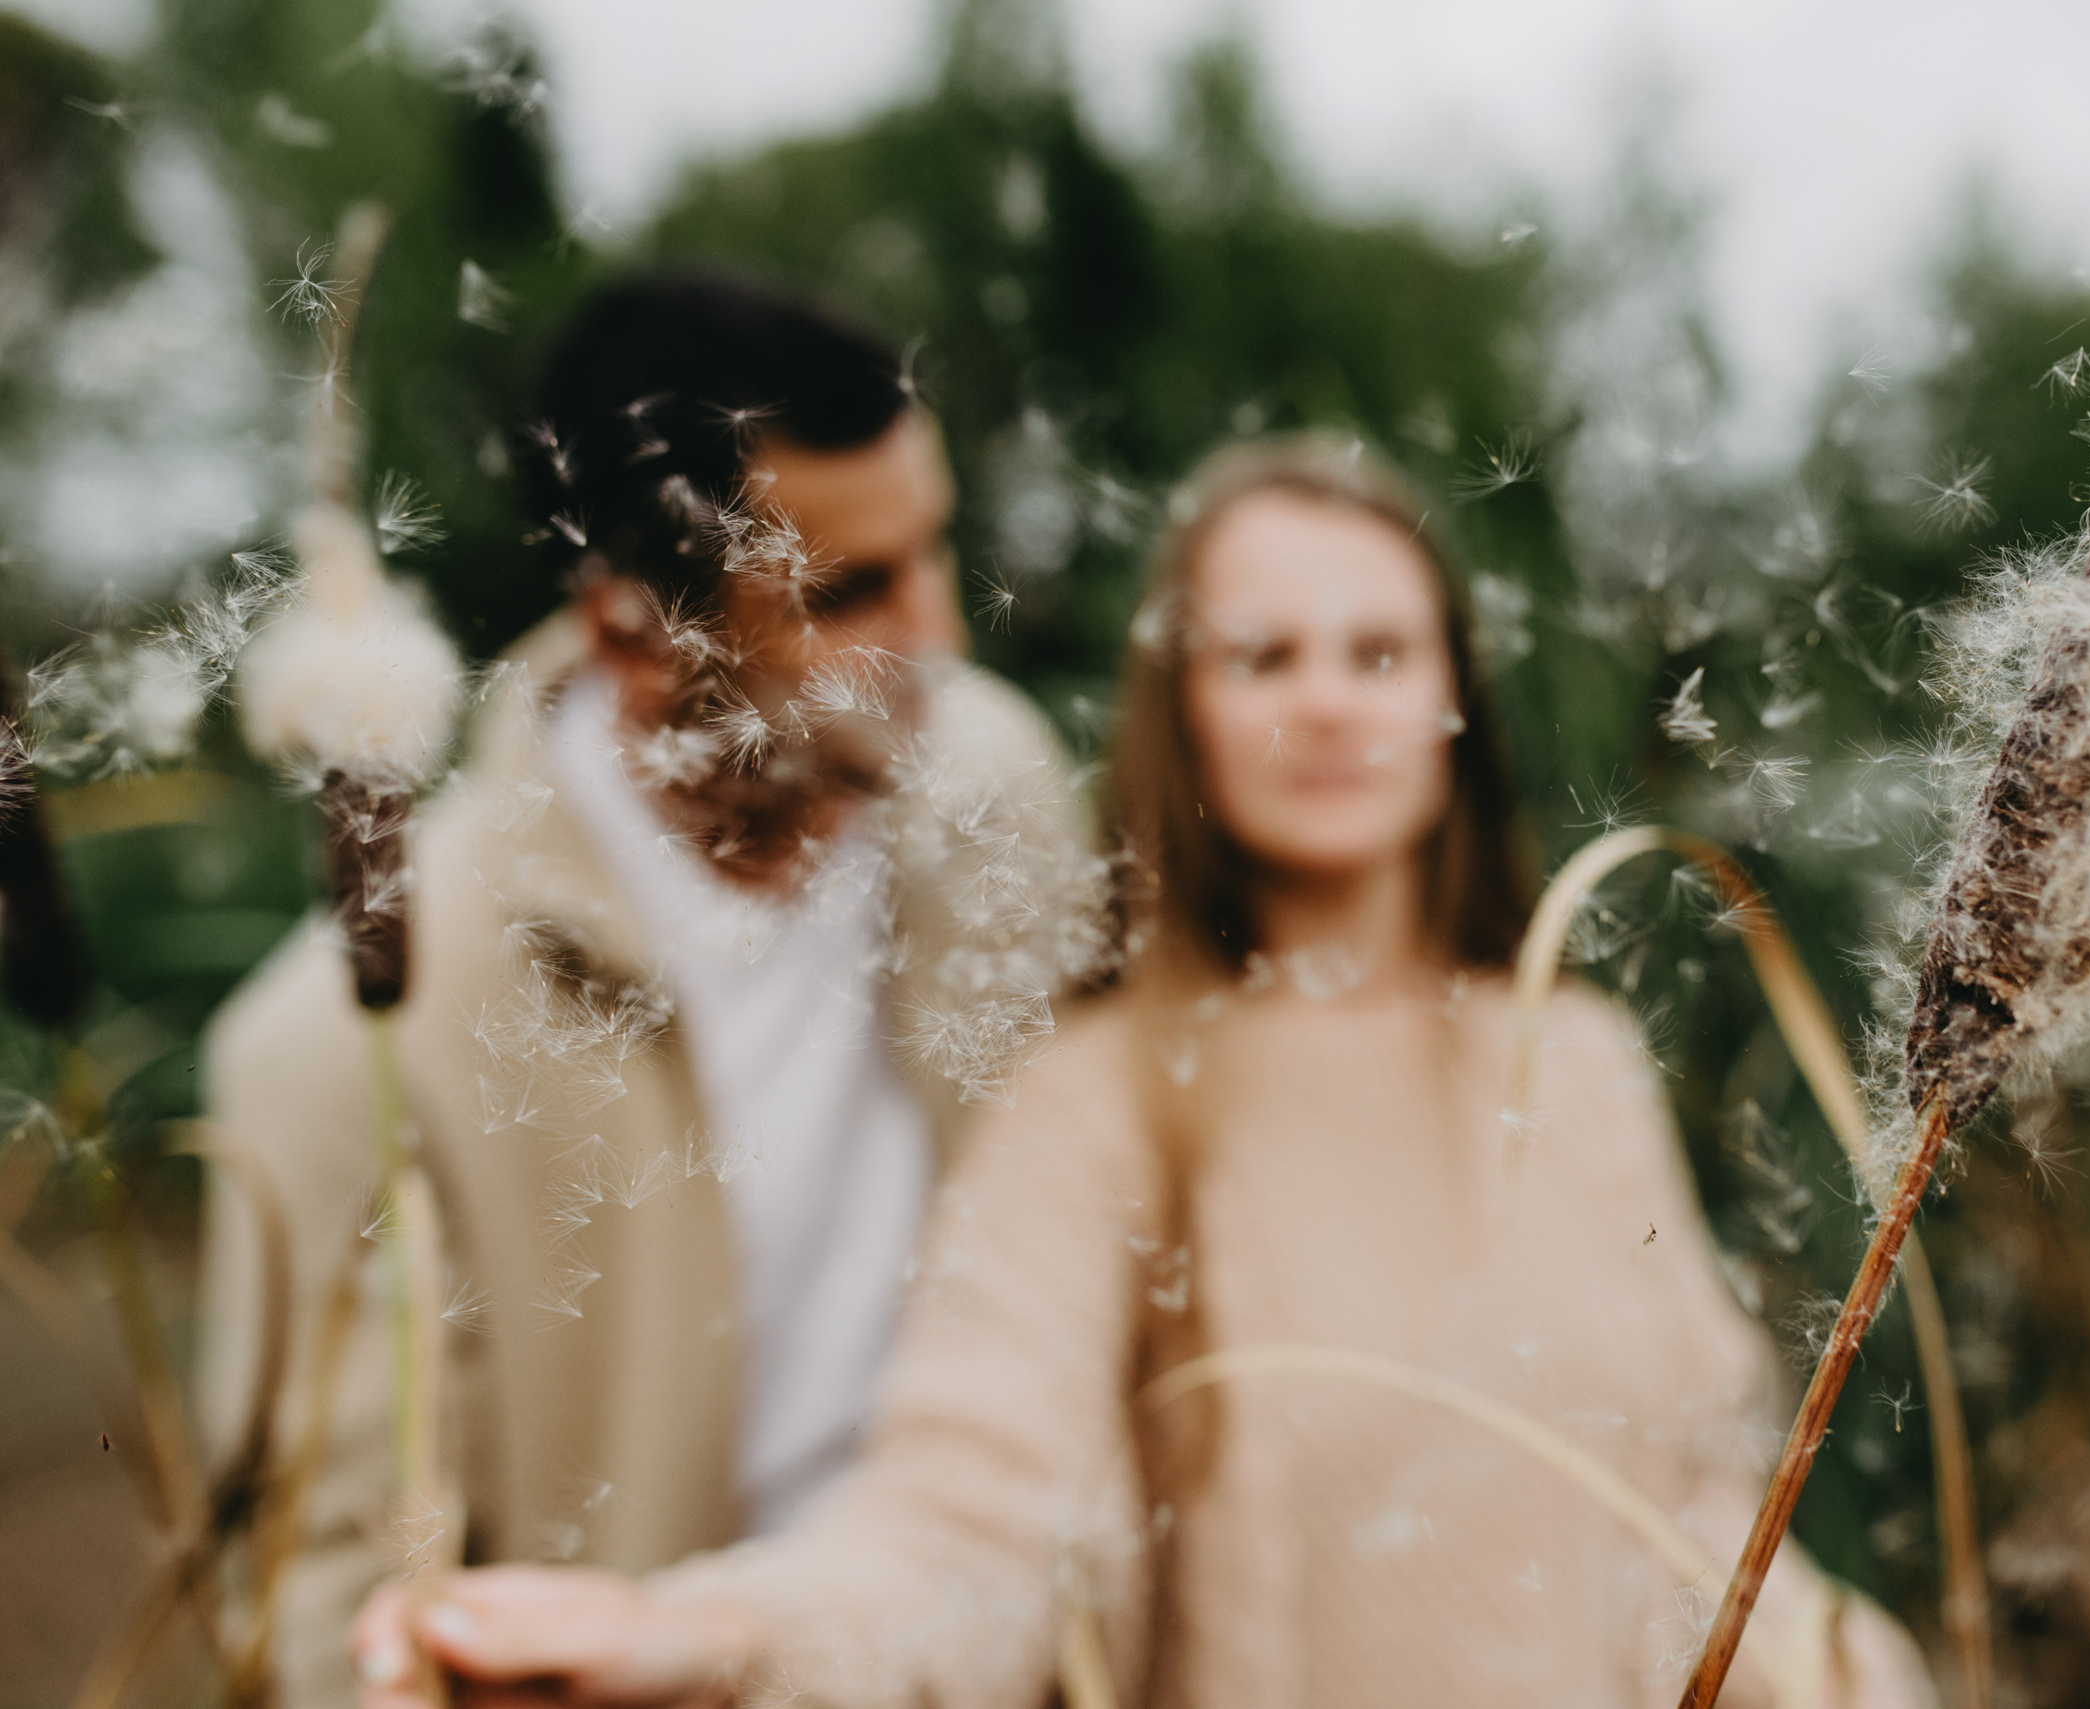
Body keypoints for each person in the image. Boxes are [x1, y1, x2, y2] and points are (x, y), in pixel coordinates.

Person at [350, 435, 1933, 1707]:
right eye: (1261, 656)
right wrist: (688, 1639)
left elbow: (1710, 1516)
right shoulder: (1102, 1096)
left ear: (1451, 697)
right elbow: (971, 1529)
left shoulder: (1573, 1057)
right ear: (1183, 707)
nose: (1324, 697)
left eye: (1377, 651)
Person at [195, 273, 1107, 1708]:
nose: (944, 637)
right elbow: (335, 1609)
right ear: (635, 633)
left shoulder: (1003, 800)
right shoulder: (347, 1039)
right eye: (852, 591)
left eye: (937, 551)